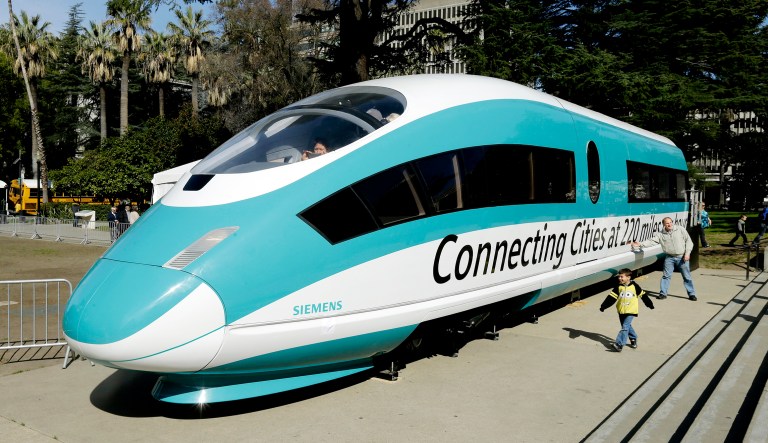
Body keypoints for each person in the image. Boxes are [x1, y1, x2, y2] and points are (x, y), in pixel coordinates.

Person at [631, 217, 697, 301]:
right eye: (667, 223)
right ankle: (663, 293)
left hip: (682, 257)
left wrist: (687, 253)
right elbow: (651, 241)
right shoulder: (661, 234)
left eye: (670, 222)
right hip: (669, 257)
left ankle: (691, 294)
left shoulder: (680, 229)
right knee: (666, 276)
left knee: (686, 276)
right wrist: (640, 244)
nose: (669, 224)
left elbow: (689, 242)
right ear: (664, 225)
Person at [599, 268, 654, 352]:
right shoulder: (618, 287)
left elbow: (643, 296)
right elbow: (611, 298)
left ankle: (619, 344)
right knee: (626, 326)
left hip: (631, 310)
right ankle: (633, 338)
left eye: (622, 277)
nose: (619, 278)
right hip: (621, 310)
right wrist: (604, 306)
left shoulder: (635, 286)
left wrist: (649, 304)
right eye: (619, 277)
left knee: (625, 327)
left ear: (628, 277)